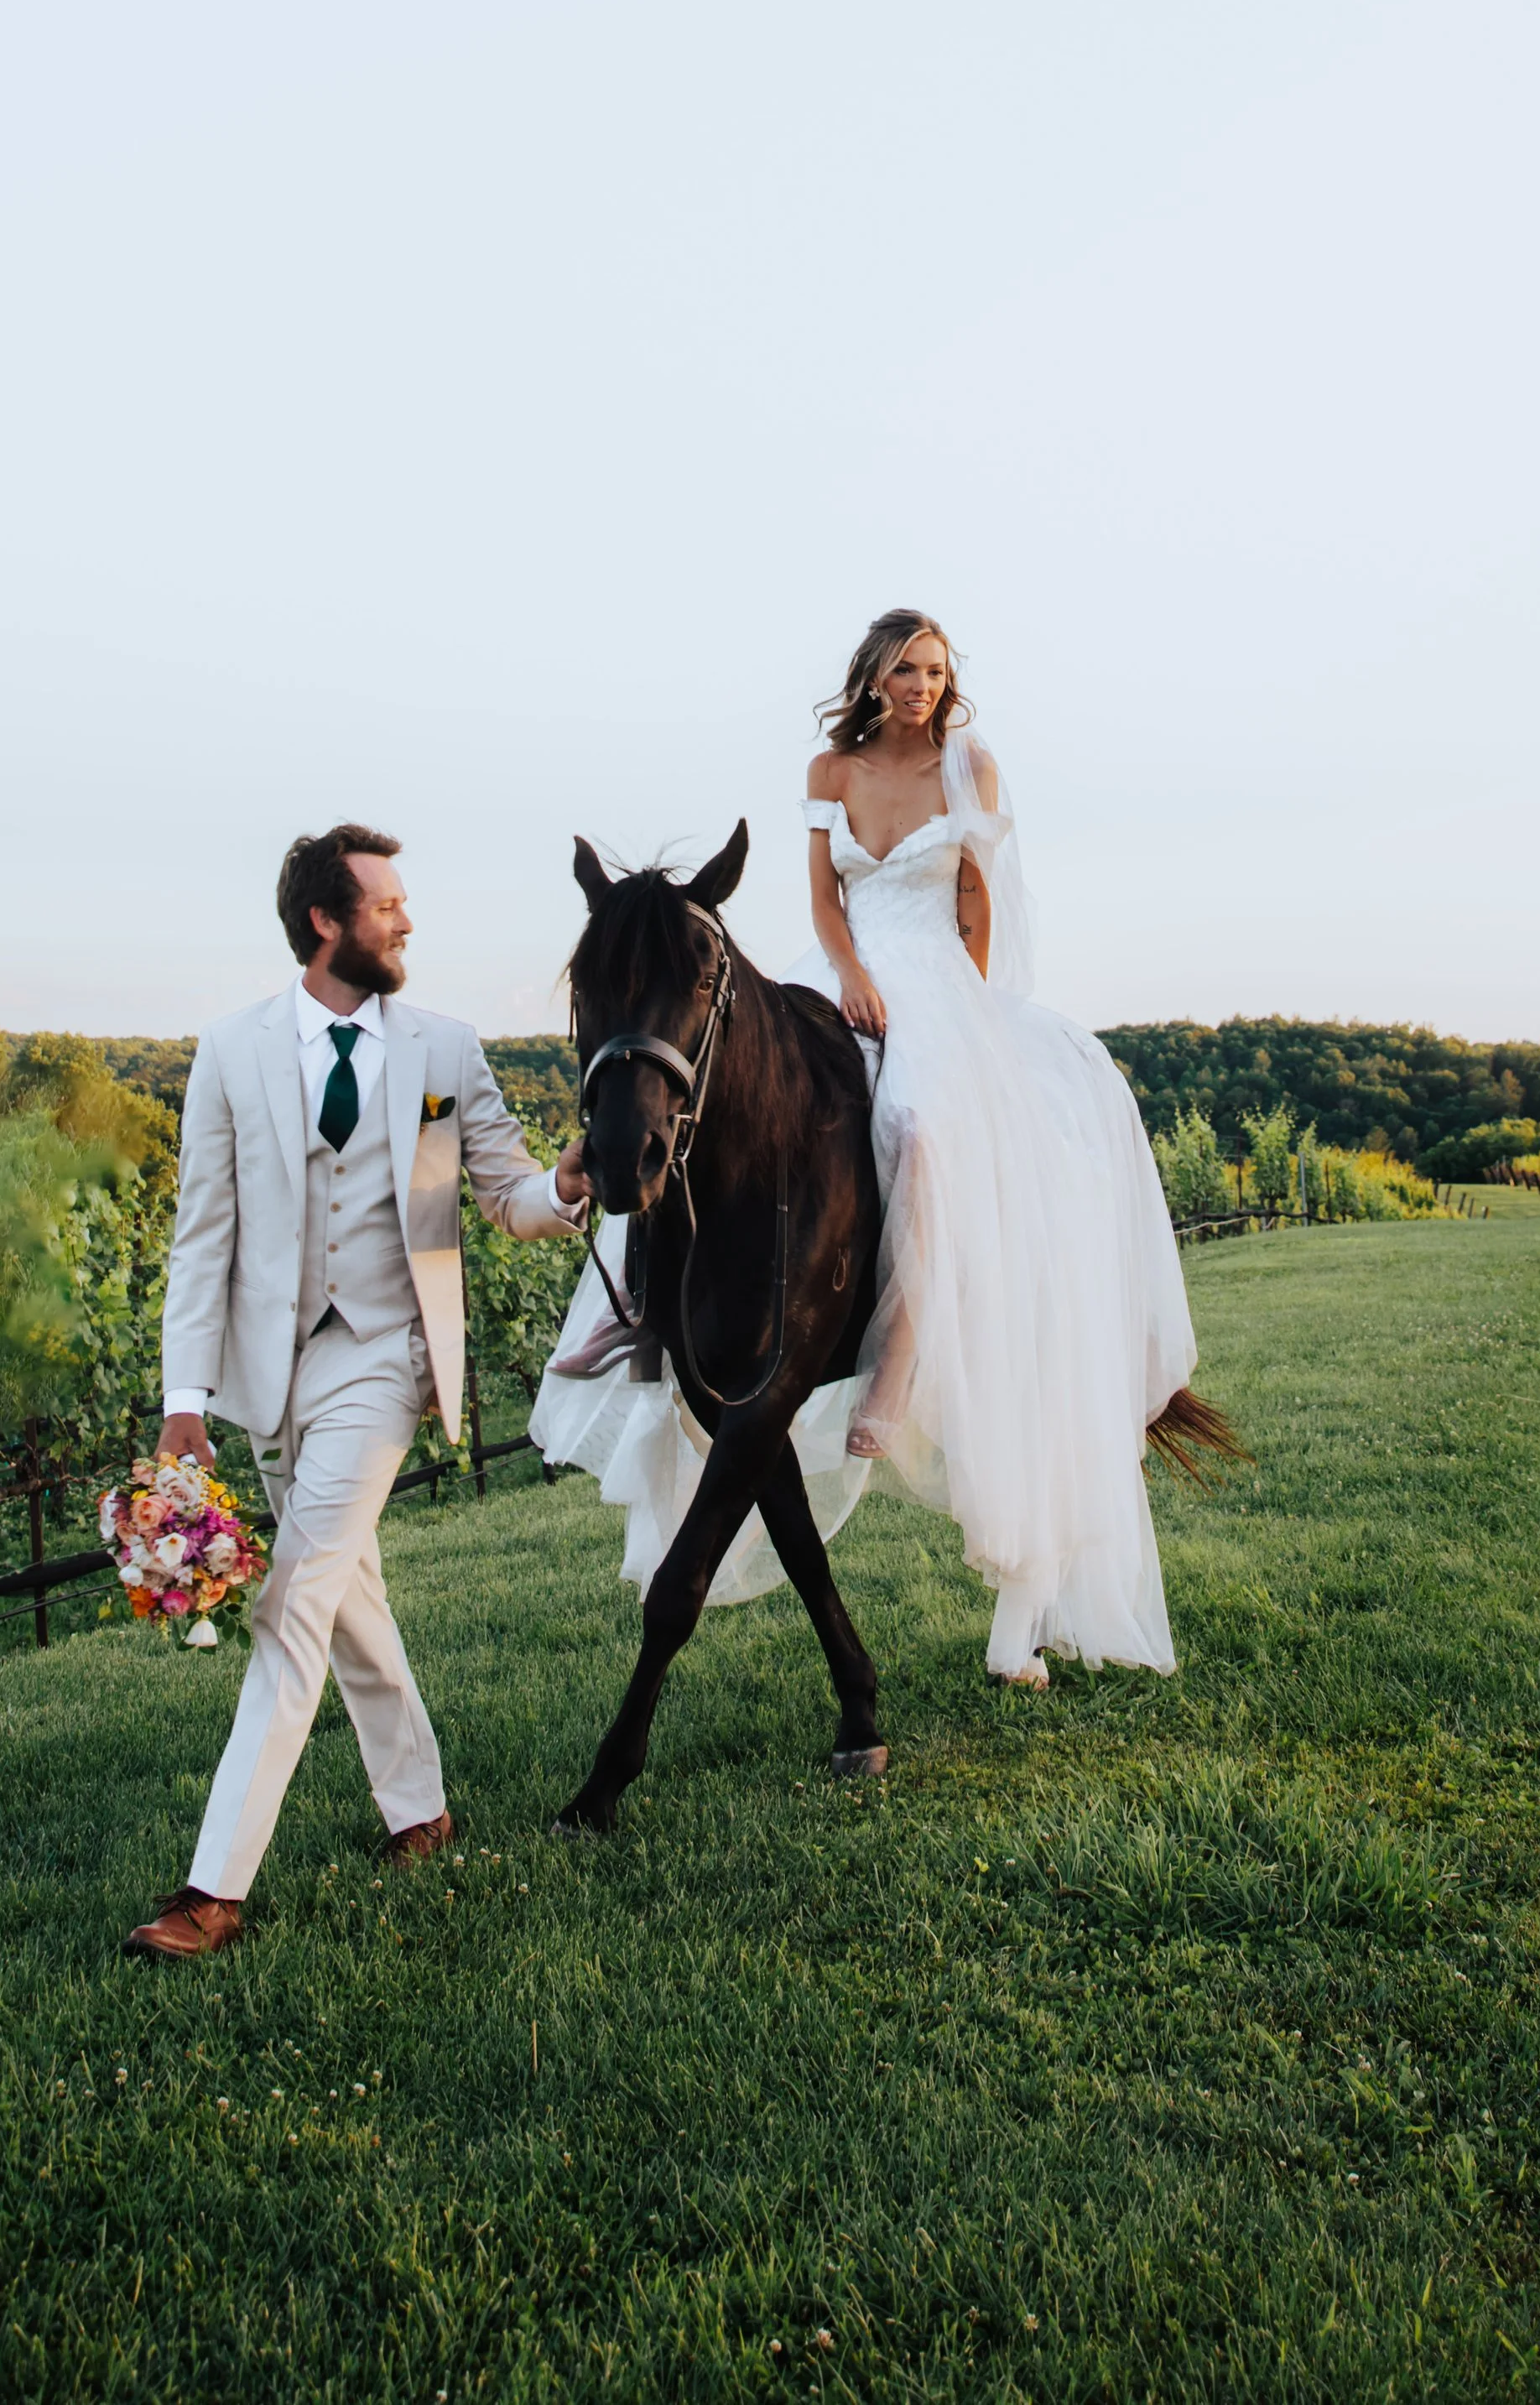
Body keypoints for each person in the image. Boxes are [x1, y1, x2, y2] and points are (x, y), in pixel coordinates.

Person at [534, 610, 1198, 1684]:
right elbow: (821, 897)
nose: (921, 686)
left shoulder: (970, 764)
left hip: (944, 982)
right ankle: (645, 1313)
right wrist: (843, 974)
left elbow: (978, 900)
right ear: (872, 677)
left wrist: (965, 1015)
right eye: (904, 669)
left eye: (937, 671)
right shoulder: (830, 769)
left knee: (918, 1127)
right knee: (721, 1112)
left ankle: (892, 1366)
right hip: (844, 971)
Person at [124, 822, 589, 1960]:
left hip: (387, 1358)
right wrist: (188, 1396)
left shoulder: (445, 1049)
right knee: (350, 1594)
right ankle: (419, 1807)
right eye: (387, 903)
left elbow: (505, 1191)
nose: (407, 920)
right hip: (273, 1376)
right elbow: (203, 1237)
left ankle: (213, 1888)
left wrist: (565, 1185)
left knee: (294, 1600)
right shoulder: (231, 1051)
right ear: (327, 921)